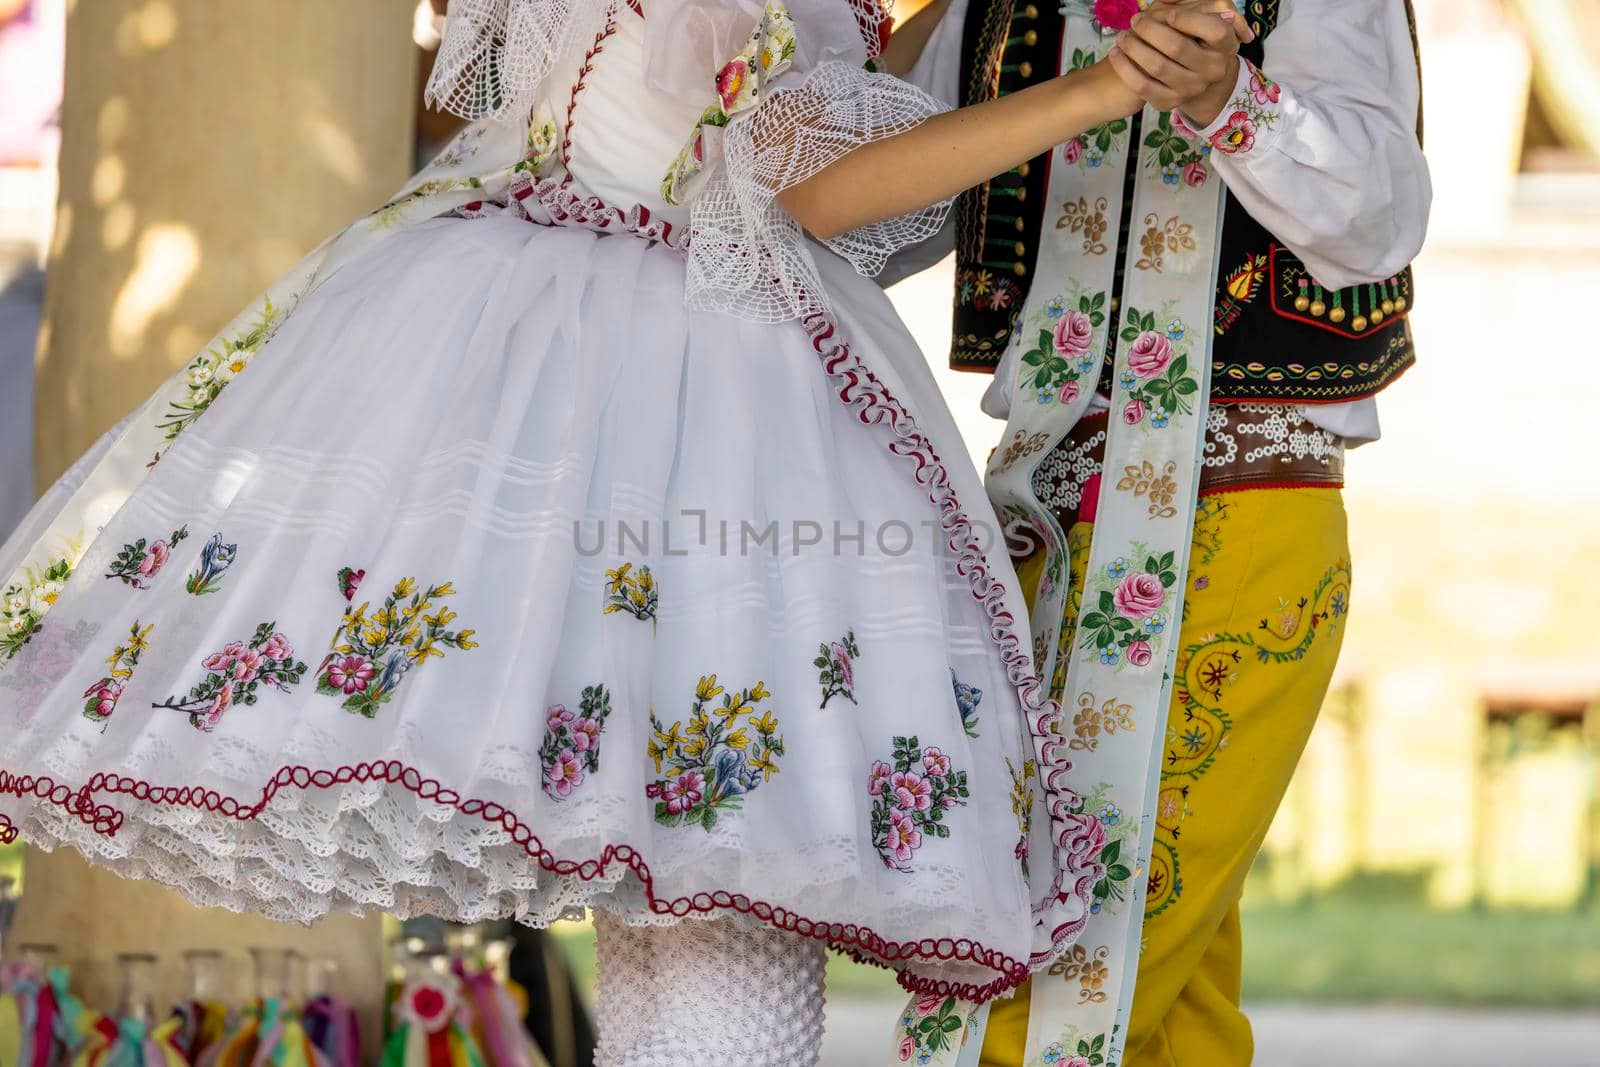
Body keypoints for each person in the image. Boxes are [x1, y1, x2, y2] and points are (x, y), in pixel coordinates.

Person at [0, 1, 1251, 1064]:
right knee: (721, 871)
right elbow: (810, 183)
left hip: (531, 355)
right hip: (695, 389)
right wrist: (1098, 87)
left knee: (677, 862)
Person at [883, 0, 1430, 1063]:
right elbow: (872, 217)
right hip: (1039, 523)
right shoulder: (991, 9)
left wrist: (1233, 101)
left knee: (1052, 992)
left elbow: (1380, 214)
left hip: (1239, 510)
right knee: (1164, 1006)